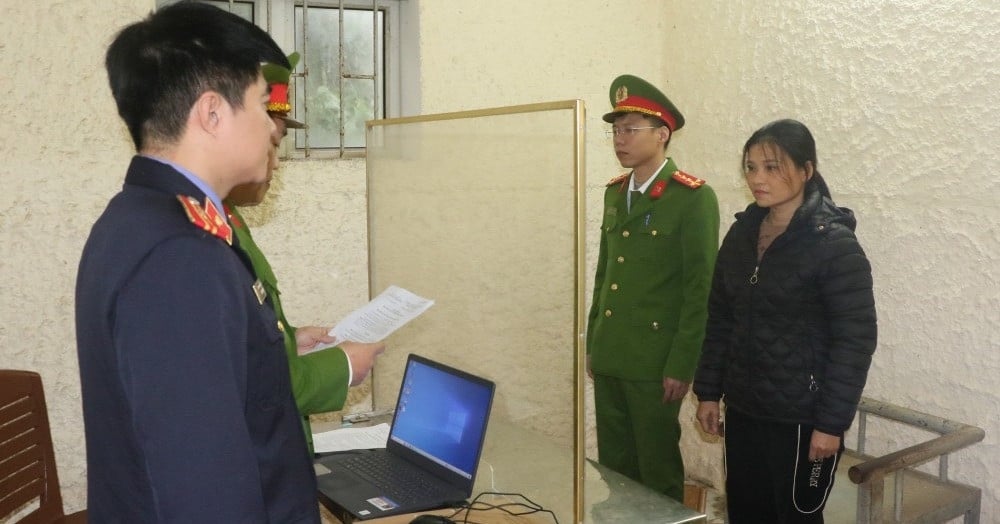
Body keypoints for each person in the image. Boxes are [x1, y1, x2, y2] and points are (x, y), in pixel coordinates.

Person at [76, 3, 320, 521]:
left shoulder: (141, 217)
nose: (276, 131)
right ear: (211, 113)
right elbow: (205, 493)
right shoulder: (179, 256)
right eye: (263, 105)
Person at [693, 119, 877, 523]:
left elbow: (855, 341)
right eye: (751, 167)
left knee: (795, 518)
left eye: (772, 167)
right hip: (743, 410)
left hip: (802, 420)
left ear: (807, 170)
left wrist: (830, 424)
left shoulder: (833, 244)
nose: (758, 178)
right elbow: (721, 317)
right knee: (744, 512)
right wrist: (709, 391)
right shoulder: (742, 235)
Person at [225, 52, 385, 454]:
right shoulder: (199, 237)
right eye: (271, 146)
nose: (276, 164)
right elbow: (247, 385)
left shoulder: (230, 221)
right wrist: (343, 365)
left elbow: (239, 340)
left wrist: (290, 339)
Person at [586, 74, 720, 502]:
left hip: (654, 362)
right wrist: (594, 343)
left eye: (630, 130)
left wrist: (682, 364)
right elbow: (605, 276)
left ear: (662, 134)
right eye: (615, 130)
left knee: (657, 474)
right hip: (611, 356)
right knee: (615, 471)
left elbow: (700, 289)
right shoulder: (615, 193)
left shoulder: (692, 197)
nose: (619, 140)